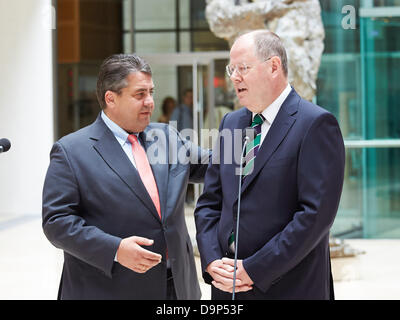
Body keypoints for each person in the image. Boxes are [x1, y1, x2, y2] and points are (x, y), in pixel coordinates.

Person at [42, 54, 210, 300]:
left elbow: (214, 164)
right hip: (110, 288)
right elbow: (56, 222)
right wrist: (115, 249)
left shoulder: (166, 137)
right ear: (111, 98)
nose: (150, 102)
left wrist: (261, 140)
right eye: (140, 94)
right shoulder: (71, 151)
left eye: (151, 92)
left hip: (176, 288)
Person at [195, 30, 345, 300]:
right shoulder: (231, 123)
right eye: (232, 69)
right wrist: (212, 261)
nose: (234, 77)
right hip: (227, 288)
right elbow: (210, 202)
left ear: (274, 66)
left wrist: (254, 269)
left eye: (243, 68)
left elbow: (314, 217)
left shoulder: (315, 124)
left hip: (288, 287)